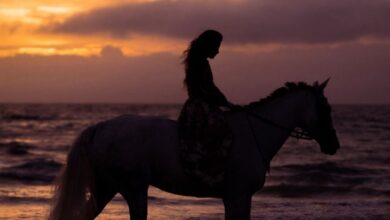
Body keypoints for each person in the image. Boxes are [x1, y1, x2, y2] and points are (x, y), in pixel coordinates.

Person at [178, 30, 236, 187]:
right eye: (216, 46)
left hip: (202, 104)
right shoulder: (198, 63)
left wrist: (225, 102)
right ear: (208, 46)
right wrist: (221, 101)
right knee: (220, 129)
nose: (218, 51)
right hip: (198, 108)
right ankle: (206, 170)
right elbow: (203, 89)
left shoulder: (201, 62)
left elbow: (211, 87)